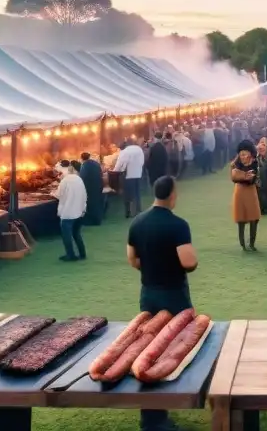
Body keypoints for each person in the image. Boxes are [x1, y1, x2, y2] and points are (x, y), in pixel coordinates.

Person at [127, 176, 198, 431]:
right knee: (174, 350)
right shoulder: (178, 225)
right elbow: (188, 262)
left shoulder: (138, 221)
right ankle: (169, 407)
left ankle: (152, 417)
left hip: (148, 293)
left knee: (147, 352)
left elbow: (132, 259)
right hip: (174, 294)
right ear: (172, 195)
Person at [231, 140, 262, 251]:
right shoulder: (236, 164)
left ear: (250, 153)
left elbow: (251, 180)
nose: (243, 156)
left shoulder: (255, 163)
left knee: (254, 218)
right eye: (241, 154)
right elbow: (234, 177)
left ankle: (252, 243)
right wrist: (244, 176)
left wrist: (243, 176)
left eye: (245, 154)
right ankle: (242, 243)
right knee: (241, 218)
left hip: (251, 192)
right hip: (239, 192)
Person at [54, 160, 88, 261]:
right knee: (76, 233)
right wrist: (83, 209)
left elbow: (59, 195)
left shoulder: (65, 180)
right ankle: (82, 254)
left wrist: (53, 193)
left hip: (68, 213)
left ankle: (70, 255)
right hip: (79, 211)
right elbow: (84, 195)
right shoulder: (79, 179)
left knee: (67, 236)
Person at [111, 138, 146, 218]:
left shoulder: (124, 152)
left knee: (127, 195)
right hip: (138, 174)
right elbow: (142, 162)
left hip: (128, 175)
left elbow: (119, 164)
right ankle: (138, 209)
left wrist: (114, 170)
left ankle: (128, 212)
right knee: (137, 193)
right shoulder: (139, 149)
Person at [78, 152, 105, 225]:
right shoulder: (96, 163)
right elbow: (101, 173)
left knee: (91, 203)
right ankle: (98, 219)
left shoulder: (84, 166)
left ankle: (93, 221)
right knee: (97, 202)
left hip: (90, 187)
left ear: (82, 158)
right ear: (89, 156)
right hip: (99, 185)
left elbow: (82, 177)